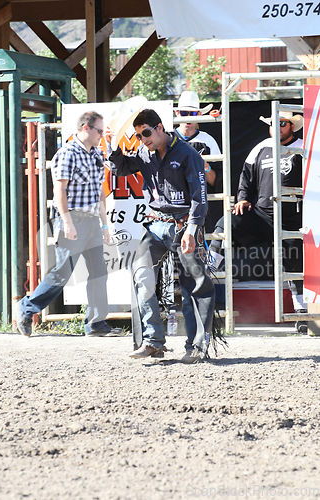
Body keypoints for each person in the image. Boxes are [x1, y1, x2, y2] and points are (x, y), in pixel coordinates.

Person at [105, 108, 222, 363]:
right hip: (157, 225)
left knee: (195, 286)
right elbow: (121, 168)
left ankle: (197, 346)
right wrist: (113, 146)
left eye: (145, 133)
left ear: (159, 127)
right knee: (141, 276)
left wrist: (192, 229)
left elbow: (199, 197)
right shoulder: (144, 153)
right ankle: (153, 341)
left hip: (183, 226)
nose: (143, 139)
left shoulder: (187, 153)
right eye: (138, 136)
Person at [16, 111, 122, 337]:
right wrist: (67, 222)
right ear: (86, 128)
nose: (102, 134)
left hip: (92, 221)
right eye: (100, 130)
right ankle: (27, 307)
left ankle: (95, 323)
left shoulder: (96, 153)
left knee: (98, 272)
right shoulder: (67, 153)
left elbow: (100, 194)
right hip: (71, 218)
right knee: (63, 272)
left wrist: (104, 226)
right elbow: (59, 190)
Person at [209, 111, 307, 333]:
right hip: (262, 215)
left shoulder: (304, 148)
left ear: (292, 126)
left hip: (293, 219)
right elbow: (246, 178)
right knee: (228, 222)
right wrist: (242, 198)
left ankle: (302, 314)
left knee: (295, 265)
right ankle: (210, 269)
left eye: (283, 123)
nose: (278, 127)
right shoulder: (260, 148)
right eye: (274, 123)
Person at [175, 91, 222, 232]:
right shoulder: (168, 139)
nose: (188, 117)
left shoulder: (208, 141)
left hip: (199, 206)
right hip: (174, 206)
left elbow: (219, 181)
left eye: (193, 113)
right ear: (177, 113)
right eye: (184, 113)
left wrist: (205, 167)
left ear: (199, 115)